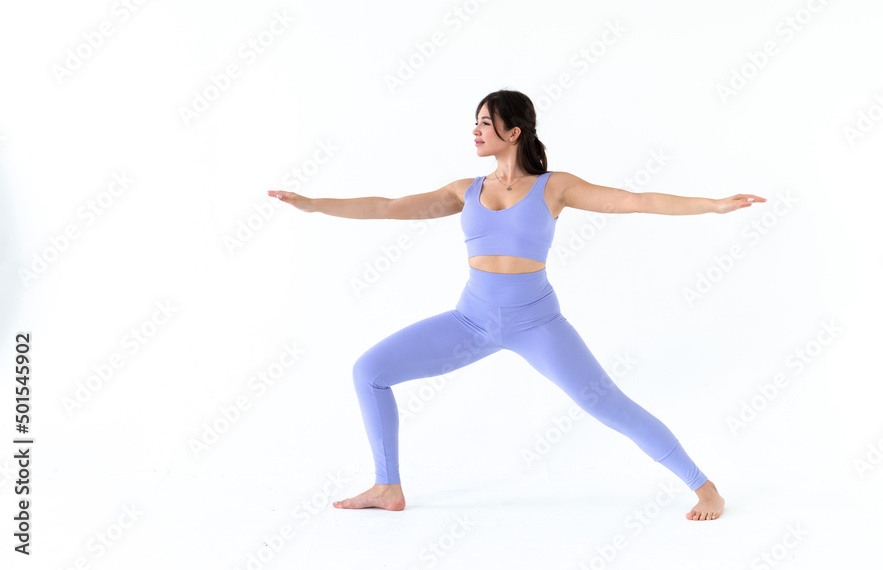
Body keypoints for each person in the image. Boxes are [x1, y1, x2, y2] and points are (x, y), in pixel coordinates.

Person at [268, 89, 765, 520]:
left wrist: (715, 205)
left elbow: (635, 200)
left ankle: (706, 488)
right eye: (476, 122)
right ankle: (387, 486)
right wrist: (314, 204)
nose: (476, 130)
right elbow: (386, 207)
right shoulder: (464, 190)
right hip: (471, 322)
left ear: (514, 131)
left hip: (537, 324)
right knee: (369, 370)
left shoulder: (556, 187)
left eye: (486, 122)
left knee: (607, 404)